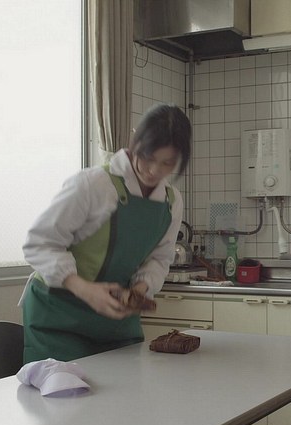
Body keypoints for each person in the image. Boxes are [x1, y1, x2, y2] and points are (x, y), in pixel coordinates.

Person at [21, 104, 191, 363]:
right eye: (148, 157)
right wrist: (85, 290)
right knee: (68, 388)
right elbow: (38, 244)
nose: (154, 170)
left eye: (167, 163)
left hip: (115, 323)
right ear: (135, 143)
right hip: (58, 318)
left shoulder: (171, 201)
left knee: (128, 387)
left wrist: (138, 292)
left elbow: (159, 259)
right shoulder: (93, 184)